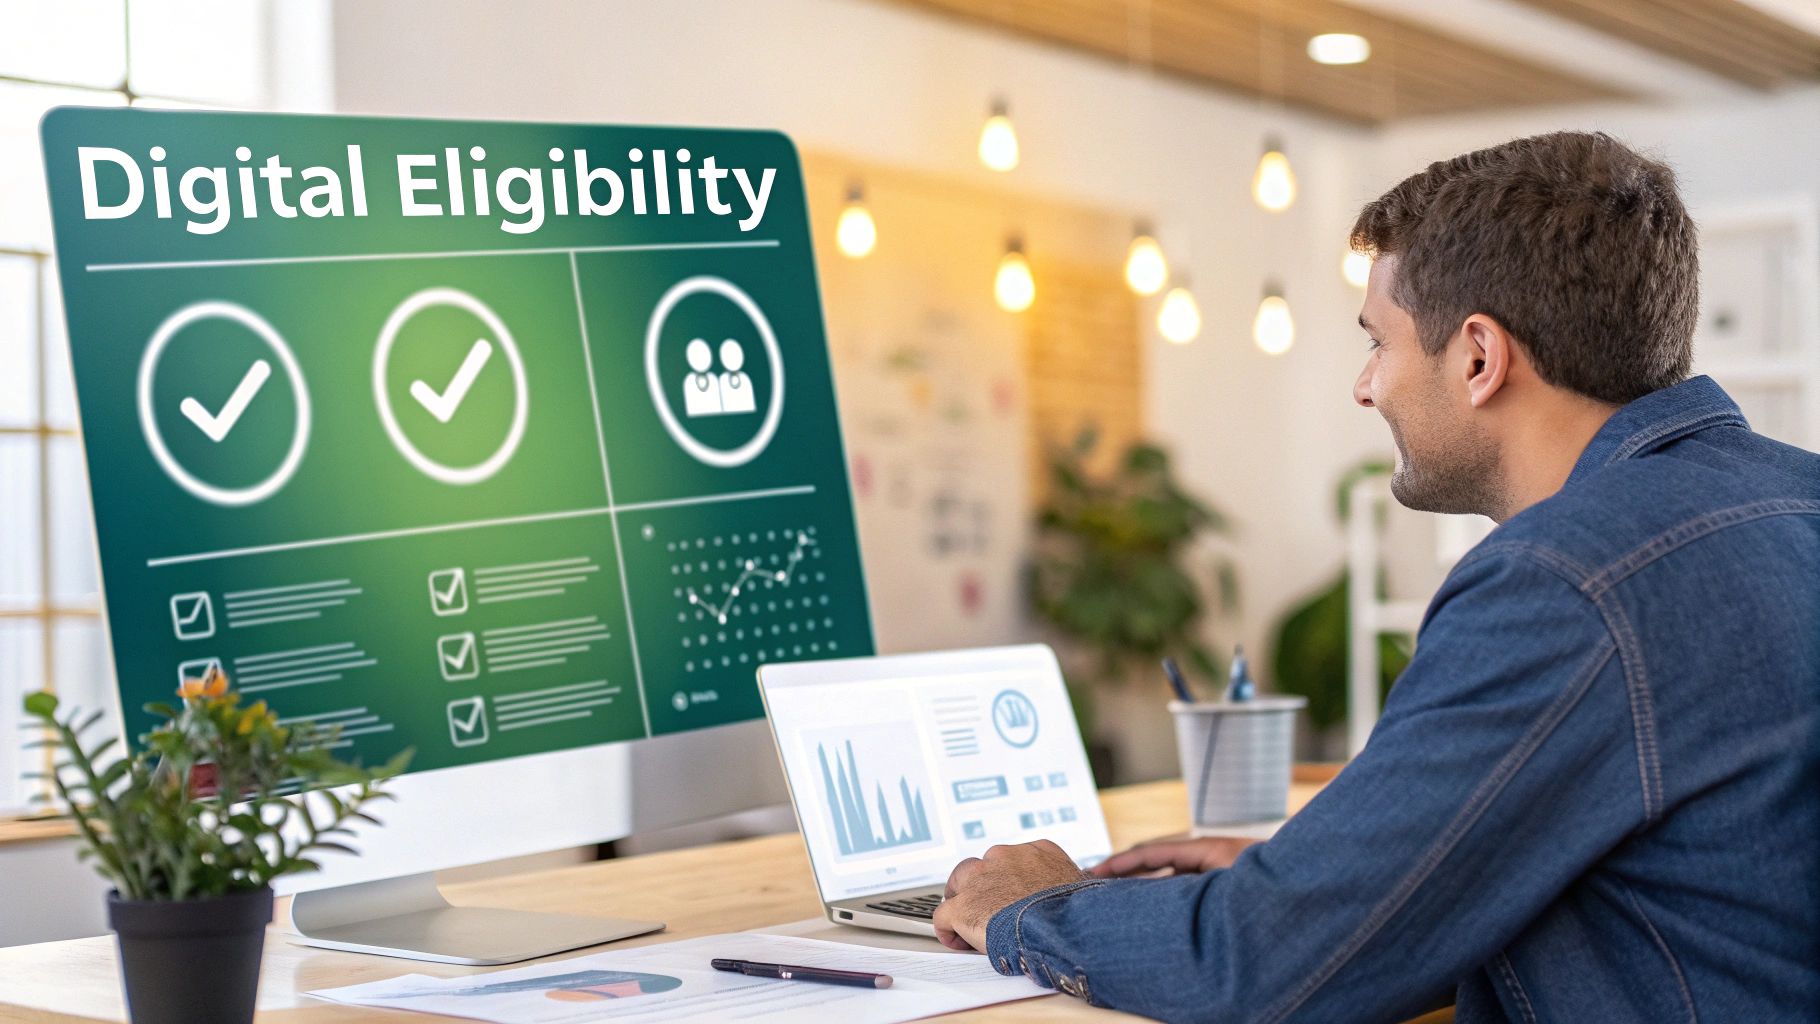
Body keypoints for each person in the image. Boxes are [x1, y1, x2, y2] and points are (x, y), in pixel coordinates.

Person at [934, 131, 1820, 1022]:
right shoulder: (1801, 498)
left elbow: (1266, 969)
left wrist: (1039, 908)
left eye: (1379, 343)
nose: (1366, 388)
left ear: (1479, 358)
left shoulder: (1561, 580)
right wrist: (1347, 885)